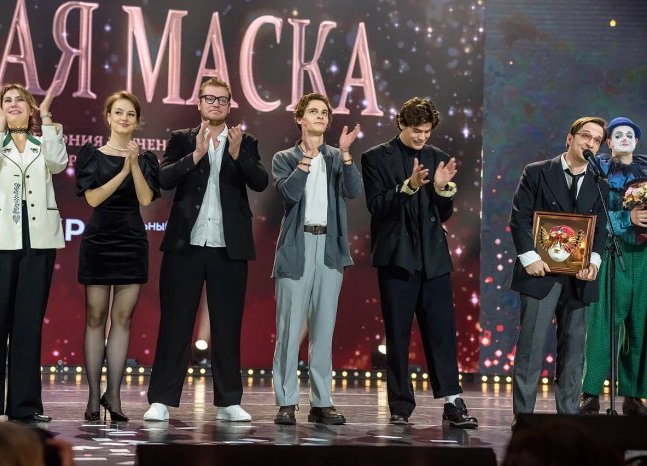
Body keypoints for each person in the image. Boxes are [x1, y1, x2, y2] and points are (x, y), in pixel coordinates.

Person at [143, 77, 268, 422]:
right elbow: (164, 179)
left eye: (222, 99)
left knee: (227, 325)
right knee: (175, 323)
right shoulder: (182, 139)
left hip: (228, 247)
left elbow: (260, 181)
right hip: (185, 244)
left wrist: (237, 155)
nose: (216, 104)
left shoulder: (244, 141)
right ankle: (161, 399)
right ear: (199, 103)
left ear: (230, 105)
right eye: (210, 98)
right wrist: (196, 155)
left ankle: (229, 402)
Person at [361, 97, 478, 428]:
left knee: (442, 333)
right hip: (397, 258)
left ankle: (452, 402)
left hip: (433, 259)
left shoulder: (437, 157)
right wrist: (409, 187)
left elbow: (443, 214)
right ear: (402, 124)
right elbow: (377, 207)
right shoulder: (374, 157)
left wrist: (442, 191)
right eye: (416, 130)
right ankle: (400, 404)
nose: (422, 137)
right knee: (397, 335)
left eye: (427, 131)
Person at [0, 82, 66, 423]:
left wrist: (48, 116)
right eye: (7, 101)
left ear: (30, 108)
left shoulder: (46, 140)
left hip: (38, 241)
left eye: (19, 101)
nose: (12, 105)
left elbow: (58, 163)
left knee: (28, 325)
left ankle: (25, 406)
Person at [271, 93, 363, 425]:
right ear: (300, 118)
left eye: (325, 112)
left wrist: (347, 154)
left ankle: (321, 402)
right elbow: (289, 193)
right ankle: (286, 401)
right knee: (289, 329)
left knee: (323, 329)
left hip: (329, 248)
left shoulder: (337, 157)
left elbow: (354, 190)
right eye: (313, 111)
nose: (321, 116)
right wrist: (306, 159)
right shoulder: (285, 157)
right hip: (296, 246)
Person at [509, 116, 608, 422]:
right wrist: (530, 258)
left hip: (579, 278)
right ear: (570, 138)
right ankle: (524, 419)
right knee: (530, 349)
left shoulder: (599, 181)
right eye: (585, 136)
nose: (590, 143)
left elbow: (601, 228)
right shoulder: (537, 172)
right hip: (540, 273)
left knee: (574, 353)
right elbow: (519, 218)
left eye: (596, 140)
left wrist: (593, 262)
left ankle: (568, 419)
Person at [75, 91, 160, 422]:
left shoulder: (146, 159)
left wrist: (134, 165)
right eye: (119, 113)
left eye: (130, 114)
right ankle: (93, 396)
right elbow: (93, 199)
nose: (124, 119)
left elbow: (146, 198)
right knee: (96, 317)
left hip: (131, 241)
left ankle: (114, 394)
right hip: (99, 241)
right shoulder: (92, 155)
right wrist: (123, 171)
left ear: (137, 121)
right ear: (108, 117)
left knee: (123, 319)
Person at [580, 117, 647, 416]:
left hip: (644, 256)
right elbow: (595, 215)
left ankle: (634, 394)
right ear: (608, 142)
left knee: (641, 324)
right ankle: (590, 392)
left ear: (636, 141)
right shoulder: (600, 170)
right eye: (617, 134)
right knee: (603, 324)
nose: (624, 138)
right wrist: (627, 219)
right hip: (612, 251)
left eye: (629, 134)